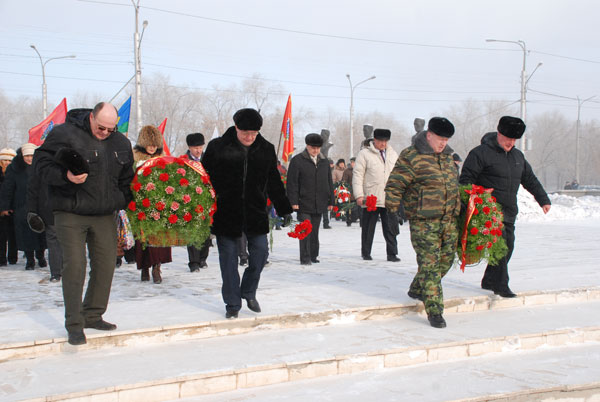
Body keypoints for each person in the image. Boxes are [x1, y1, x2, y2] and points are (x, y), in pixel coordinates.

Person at [34, 102, 134, 345]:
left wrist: (120, 199)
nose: (105, 133)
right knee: (75, 266)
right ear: (91, 117)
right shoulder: (64, 134)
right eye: (101, 127)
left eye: (111, 129)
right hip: (71, 210)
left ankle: (93, 314)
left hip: (103, 214)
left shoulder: (120, 143)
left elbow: (127, 178)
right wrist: (65, 176)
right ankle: (75, 324)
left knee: (106, 265)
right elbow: (41, 165)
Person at [202, 108, 292, 319]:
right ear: (236, 128)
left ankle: (248, 291)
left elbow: (273, 181)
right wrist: (203, 208)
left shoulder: (266, 149)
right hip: (226, 212)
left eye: (254, 133)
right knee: (229, 260)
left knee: (260, 254)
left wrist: (284, 207)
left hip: (255, 211)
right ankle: (232, 303)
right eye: (245, 133)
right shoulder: (217, 147)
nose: (250, 137)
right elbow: (203, 179)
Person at [460, 116, 551, 298]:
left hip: (509, 211)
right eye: (507, 138)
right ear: (499, 133)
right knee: (500, 246)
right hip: (487, 212)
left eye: (514, 140)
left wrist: (543, 199)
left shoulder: (518, 157)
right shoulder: (480, 153)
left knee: (508, 247)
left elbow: (529, 179)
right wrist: (479, 193)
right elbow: (465, 181)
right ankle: (501, 285)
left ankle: (489, 279)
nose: (510, 143)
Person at [385, 117, 460, 328]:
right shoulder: (412, 155)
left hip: (448, 220)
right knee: (430, 265)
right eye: (440, 138)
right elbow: (395, 183)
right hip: (423, 220)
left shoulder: (447, 157)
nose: (443, 143)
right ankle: (435, 310)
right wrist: (392, 209)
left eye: (446, 139)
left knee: (445, 261)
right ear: (429, 135)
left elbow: (452, 183)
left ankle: (417, 289)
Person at [352, 128, 400, 262]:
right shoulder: (364, 154)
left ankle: (392, 253)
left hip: (389, 197)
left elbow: (398, 174)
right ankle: (366, 252)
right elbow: (358, 175)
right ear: (374, 140)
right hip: (370, 197)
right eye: (380, 141)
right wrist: (359, 195)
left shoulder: (392, 154)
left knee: (390, 227)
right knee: (368, 228)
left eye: (385, 141)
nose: (383, 144)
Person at [286, 133, 334, 265]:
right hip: (303, 202)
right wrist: (293, 201)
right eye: (313, 148)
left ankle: (313, 255)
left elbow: (329, 182)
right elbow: (292, 183)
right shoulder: (297, 161)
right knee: (305, 230)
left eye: (318, 148)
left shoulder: (324, 162)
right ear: (307, 146)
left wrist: (331, 201)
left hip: (320, 202)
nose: (316, 151)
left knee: (315, 231)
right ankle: (305, 257)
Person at [133, 125, 172, 284]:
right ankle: (144, 268)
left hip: (159, 204)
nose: (152, 148)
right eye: (149, 145)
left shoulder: (163, 158)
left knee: (158, 238)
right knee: (142, 238)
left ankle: (157, 267)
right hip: (140, 203)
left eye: (154, 145)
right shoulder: (134, 158)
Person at [0, 144, 47, 270]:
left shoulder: (41, 167)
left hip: (40, 205)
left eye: (32, 155)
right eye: (27, 156)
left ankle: (40, 256)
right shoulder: (14, 169)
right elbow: (7, 189)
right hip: (21, 205)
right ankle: (30, 260)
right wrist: (5, 206)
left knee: (40, 232)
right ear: (22, 156)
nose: (29, 158)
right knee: (25, 234)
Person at [27, 149, 63, 282]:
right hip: (59, 208)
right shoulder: (63, 164)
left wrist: (32, 210)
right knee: (62, 240)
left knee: (55, 241)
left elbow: (32, 191)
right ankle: (63, 271)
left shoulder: (38, 167)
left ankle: (56, 273)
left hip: (50, 208)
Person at [182, 132, 212, 272]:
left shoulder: (208, 159)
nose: (198, 150)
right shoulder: (184, 161)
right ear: (189, 147)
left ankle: (202, 258)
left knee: (205, 231)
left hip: (206, 200)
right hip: (191, 201)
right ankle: (193, 262)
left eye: (200, 147)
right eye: (195, 148)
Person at [0, 148, 18, 266]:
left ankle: (12, 257)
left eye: (9, 160)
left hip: (13, 207)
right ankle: (1, 259)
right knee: (1, 236)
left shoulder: (16, 173)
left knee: (13, 234)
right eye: (4, 160)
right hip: (1, 208)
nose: (6, 162)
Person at [341, 157, 359, 227]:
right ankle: (349, 220)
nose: (352, 164)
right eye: (351, 162)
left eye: (353, 162)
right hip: (350, 191)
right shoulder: (347, 171)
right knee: (349, 207)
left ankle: (358, 219)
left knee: (359, 207)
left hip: (358, 190)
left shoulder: (359, 170)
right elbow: (344, 181)